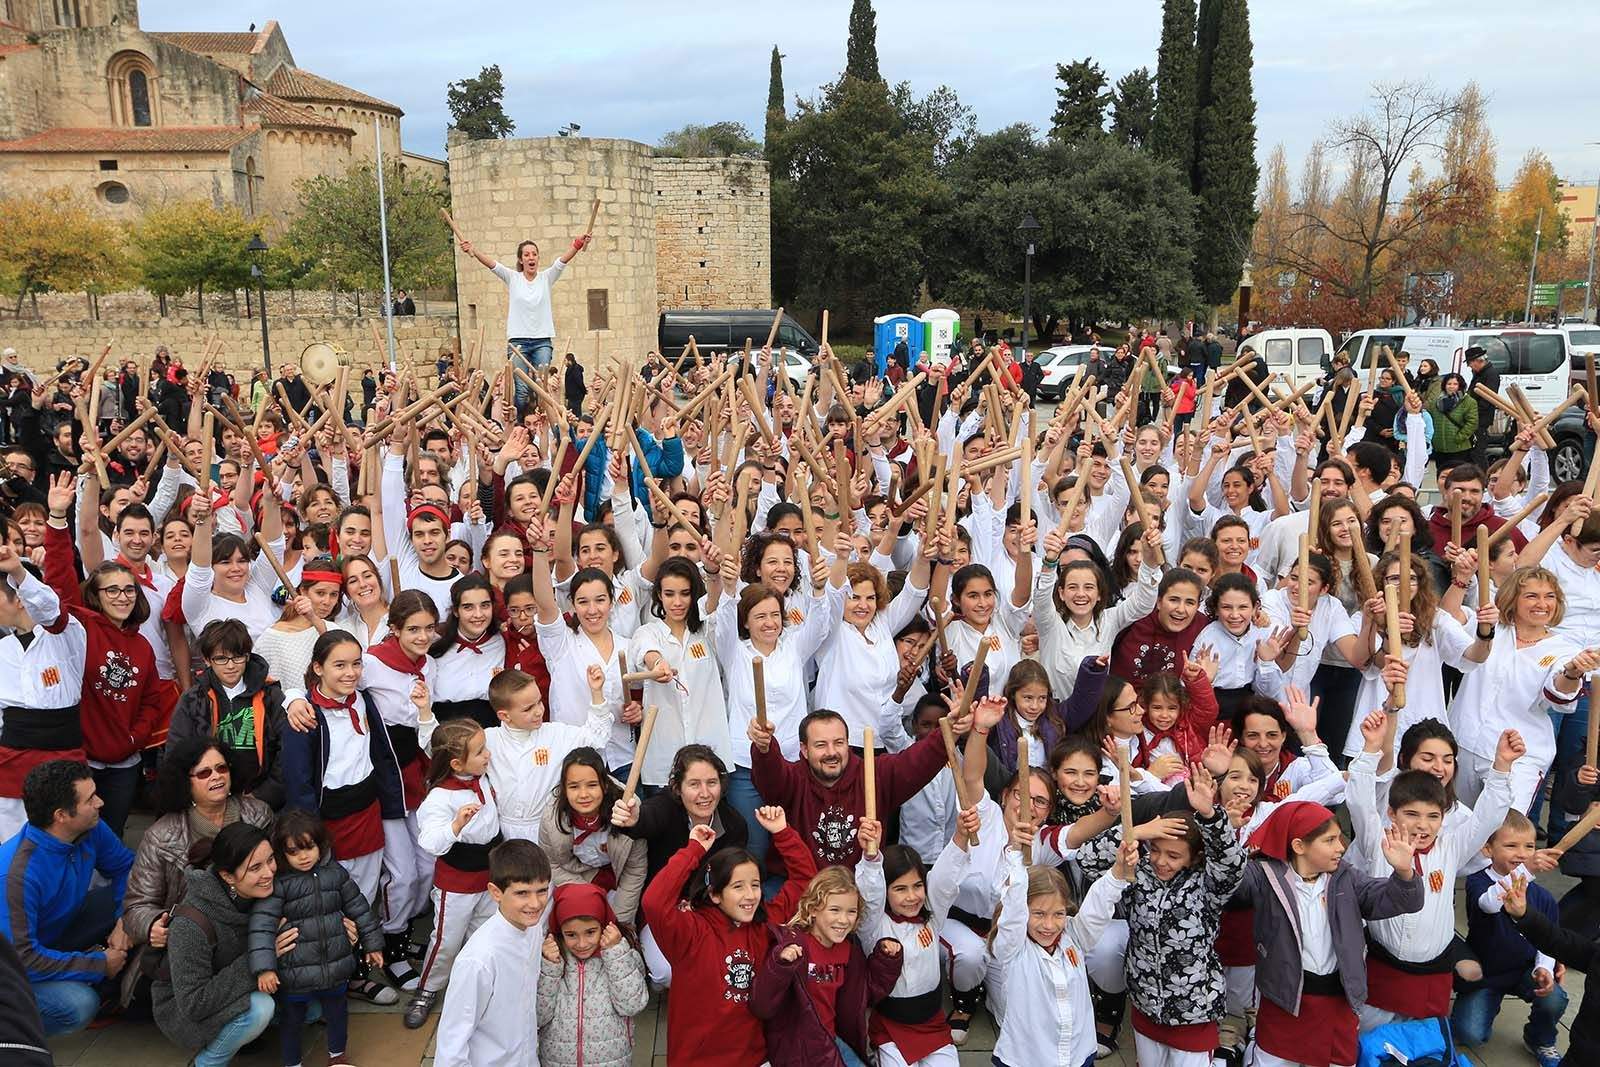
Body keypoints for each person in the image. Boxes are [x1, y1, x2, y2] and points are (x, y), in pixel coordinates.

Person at [1236, 800, 1424, 1067]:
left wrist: (1404, 872)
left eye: (1339, 838)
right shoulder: (1266, 877)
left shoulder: (1347, 878)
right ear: (1299, 846)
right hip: (1285, 1001)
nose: (1341, 847)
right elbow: (1227, 883)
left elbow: (1402, 900)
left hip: (1337, 1002)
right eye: (1330, 840)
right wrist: (1221, 831)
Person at [640, 807, 817, 1067]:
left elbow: (805, 881)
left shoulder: (764, 925)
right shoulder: (690, 931)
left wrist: (782, 832)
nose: (750, 895)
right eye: (738, 886)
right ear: (714, 894)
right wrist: (693, 850)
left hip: (755, 1059)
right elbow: (654, 902)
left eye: (755, 885)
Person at [119, 737, 274, 1008]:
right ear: (185, 782)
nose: (216, 777)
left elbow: (281, 874)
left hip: (253, 926)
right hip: (198, 940)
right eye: (204, 773)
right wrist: (152, 924)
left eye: (222, 769)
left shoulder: (258, 815)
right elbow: (137, 905)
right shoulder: (161, 835)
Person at [0, 760, 134, 1036]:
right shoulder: (16, 875)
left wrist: (126, 918)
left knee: (134, 903)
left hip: (56, 933)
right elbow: (23, 959)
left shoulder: (90, 828)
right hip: (11, 970)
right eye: (90, 799)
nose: (100, 802)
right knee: (79, 1005)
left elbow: (126, 867)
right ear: (61, 815)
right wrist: (98, 965)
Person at [249, 810, 386, 1067]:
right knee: (292, 1021)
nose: (303, 856)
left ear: (320, 844)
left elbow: (359, 908)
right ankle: (292, 1063)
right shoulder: (278, 884)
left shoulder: (336, 874)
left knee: (338, 1013)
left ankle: (337, 1056)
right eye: (293, 851)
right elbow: (262, 927)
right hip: (294, 972)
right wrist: (265, 968)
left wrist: (373, 943)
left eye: (309, 847)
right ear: (282, 852)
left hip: (335, 965)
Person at [749, 708, 951, 874]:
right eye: (821, 745)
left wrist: (951, 727)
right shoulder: (792, 779)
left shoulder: (874, 773)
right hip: (799, 891)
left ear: (848, 744)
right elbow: (769, 774)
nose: (831, 753)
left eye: (839, 743)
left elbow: (918, 761)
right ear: (804, 750)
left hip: (857, 894)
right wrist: (764, 748)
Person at [750, 855, 904, 1067]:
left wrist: (887, 961)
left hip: (830, 1041)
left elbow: (865, 995)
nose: (843, 920)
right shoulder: (791, 945)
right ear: (813, 909)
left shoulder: (849, 952)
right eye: (835, 910)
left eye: (851, 911)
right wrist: (780, 965)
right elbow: (762, 1005)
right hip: (797, 1050)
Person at [151, 822, 280, 1066]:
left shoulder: (269, 889)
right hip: (184, 1010)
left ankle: (246, 1033)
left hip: (236, 985)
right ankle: (207, 1062)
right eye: (255, 868)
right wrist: (260, 958)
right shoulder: (191, 924)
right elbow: (193, 1003)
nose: (269, 873)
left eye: (271, 860)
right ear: (227, 876)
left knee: (311, 1010)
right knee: (261, 1009)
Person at [1452, 810, 1568, 1066]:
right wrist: (1525, 870)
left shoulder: (1543, 898)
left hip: (1524, 969)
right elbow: (1490, 904)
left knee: (1554, 998)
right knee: (1469, 1034)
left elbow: (1548, 941)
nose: (1522, 853)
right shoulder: (1478, 883)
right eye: (1511, 845)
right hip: (1485, 974)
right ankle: (1479, 1007)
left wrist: (1543, 969)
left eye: (1529, 846)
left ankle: (1541, 1038)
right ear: (1487, 849)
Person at [434, 839, 553, 1067]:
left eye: (542, 891)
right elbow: (452, 1042)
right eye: (522, 893)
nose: (536, 903)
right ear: (495, 892)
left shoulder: (533, 928)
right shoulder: (478, 960)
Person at [458, 228, 593, 410]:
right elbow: (492, 265)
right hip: (518, 342)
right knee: (521, 392)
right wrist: (473, 250)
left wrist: (578, 244)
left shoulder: (546, 278)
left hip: (542, 341)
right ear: (521, 260)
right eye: (527, 255)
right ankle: (522, 427)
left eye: (534, 254)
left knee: (541, 387)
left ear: (538, 258)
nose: (531, 258)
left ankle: (542, 428)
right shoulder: (513, 278)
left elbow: (562, 261)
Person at [535, 882, 649, 1067]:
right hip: (557, 1061)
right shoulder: (551, 959)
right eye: (571, 934)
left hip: (611, 1061)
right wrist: (550, 967)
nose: (582, 943)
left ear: (604, 924)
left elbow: (632, 1005)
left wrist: (616, 953)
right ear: (559, 931)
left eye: (590, 932)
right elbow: (538, 1016)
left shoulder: (621, 954)